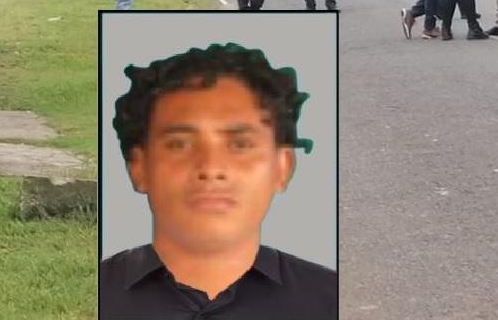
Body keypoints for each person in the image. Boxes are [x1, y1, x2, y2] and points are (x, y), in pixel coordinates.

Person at [101, 43, 336, 319]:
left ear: (282, 166)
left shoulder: (329, 298)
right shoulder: (99, 292)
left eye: (240, 144)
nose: (211, 168)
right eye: (179, 144)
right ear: (138, 166)